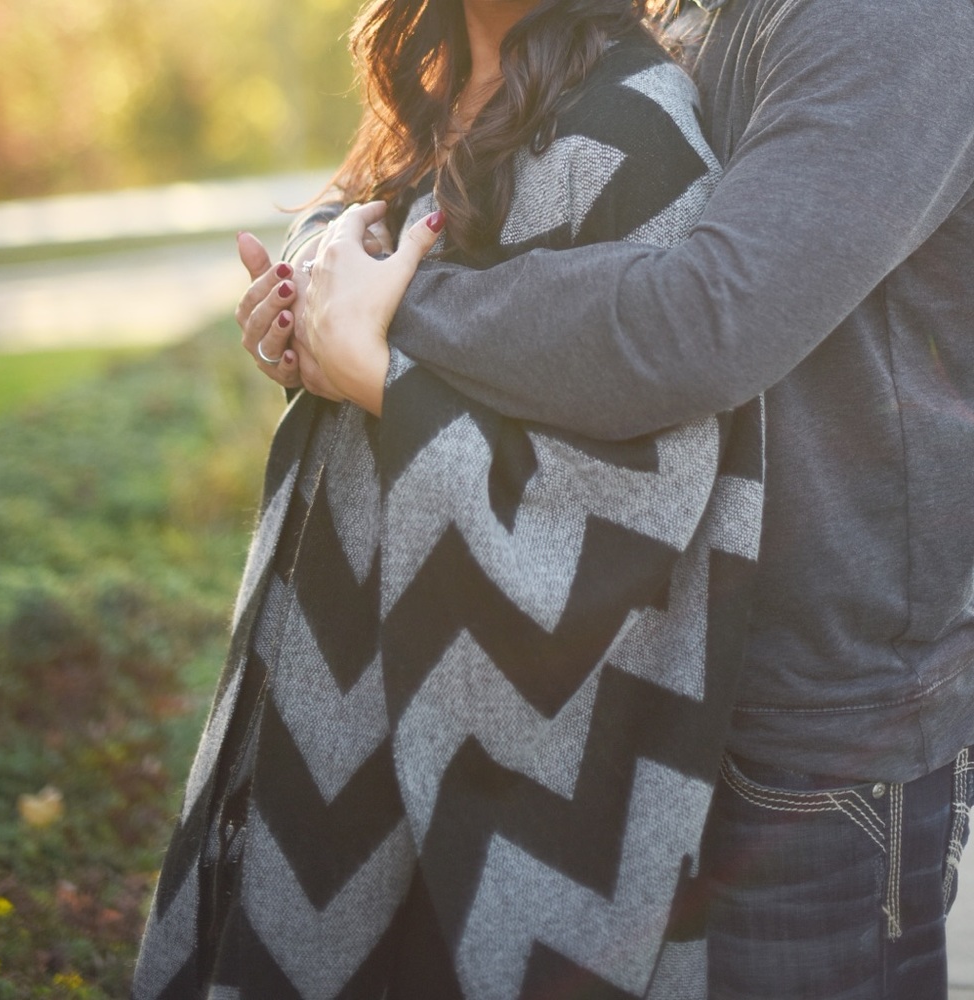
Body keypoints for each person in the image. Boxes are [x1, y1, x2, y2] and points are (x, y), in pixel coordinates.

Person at [238, 0, 974, 997]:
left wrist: (390, 317)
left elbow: (700, 320)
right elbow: (514, 222)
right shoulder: (677, 8)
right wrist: (318, 281)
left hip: (805, 740)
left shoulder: (897, 19)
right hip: (637, 672)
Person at [133, 1, 766, 997]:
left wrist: (381, 376)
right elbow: (360, 264)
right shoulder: (427, 87)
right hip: (335, 686)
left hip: (508, 756)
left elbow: (659, 480)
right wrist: (297, 308)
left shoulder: (638, 126)